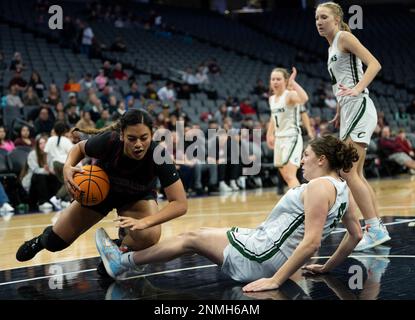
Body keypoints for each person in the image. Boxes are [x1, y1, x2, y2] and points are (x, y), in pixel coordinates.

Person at [96, 135, 363, 291]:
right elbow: (355, 235)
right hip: (265, 245)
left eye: (306, 155)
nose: (302, 159)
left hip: (264, 257)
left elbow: (312, 242)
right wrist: (326, 268)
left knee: (191, 238)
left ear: (321, 160)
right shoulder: (343, 188)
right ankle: (125, 260)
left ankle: (123, 262)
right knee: (197, 236)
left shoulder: (318, 186)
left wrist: (274, 280)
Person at [16, 109, 188, 278]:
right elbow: (79, 148)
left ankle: (114, 249)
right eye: (132, 138)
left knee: (149, 235)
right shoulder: (110, 141)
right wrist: (68, 166)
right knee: (55, 243)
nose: (138, 144)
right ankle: (41, 240)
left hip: (136, 199)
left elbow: (180, 204)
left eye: (144, 138)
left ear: (152, 135)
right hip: (99, 193)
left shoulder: (160, 155)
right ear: (121, 135)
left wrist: (145, 222)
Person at [315, 1, 390, 251]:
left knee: (347, 172)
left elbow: (374, 64)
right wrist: (338, 110)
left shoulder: (344, 37)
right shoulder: (331, 48)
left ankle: (374, 228)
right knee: (355, 173)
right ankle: (377, 227)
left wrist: (357, 89)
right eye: (316, 18)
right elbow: (342, 82)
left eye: (324, 17)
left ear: (336, 19)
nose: (319, 21)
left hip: (359, 107)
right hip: (348, 112)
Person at [266, 67, 309, 195]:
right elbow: (273, 118)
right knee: (286, 177)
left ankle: (300, 206)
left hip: (292, 137)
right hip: (279, 139)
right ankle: (304, 199)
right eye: (273, 79)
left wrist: (293, 82)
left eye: (278, 79)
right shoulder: (272, 99)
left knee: (290, 176)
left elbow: (304, 98)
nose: (275, 82)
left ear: (285, 81)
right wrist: (269, 134)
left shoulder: (289, 95)